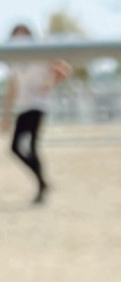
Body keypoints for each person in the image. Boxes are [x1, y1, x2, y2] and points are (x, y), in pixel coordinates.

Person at [3, 24, 71, 206]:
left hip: (38, 105)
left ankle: (42, 186)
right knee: (16, 148)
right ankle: (42, 182)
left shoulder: (40, 54)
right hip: (22, 107)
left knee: (31, 146)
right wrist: (6, 115)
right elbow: (13, 88)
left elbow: (63, 69)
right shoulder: (15, 60)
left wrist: (49, 84)